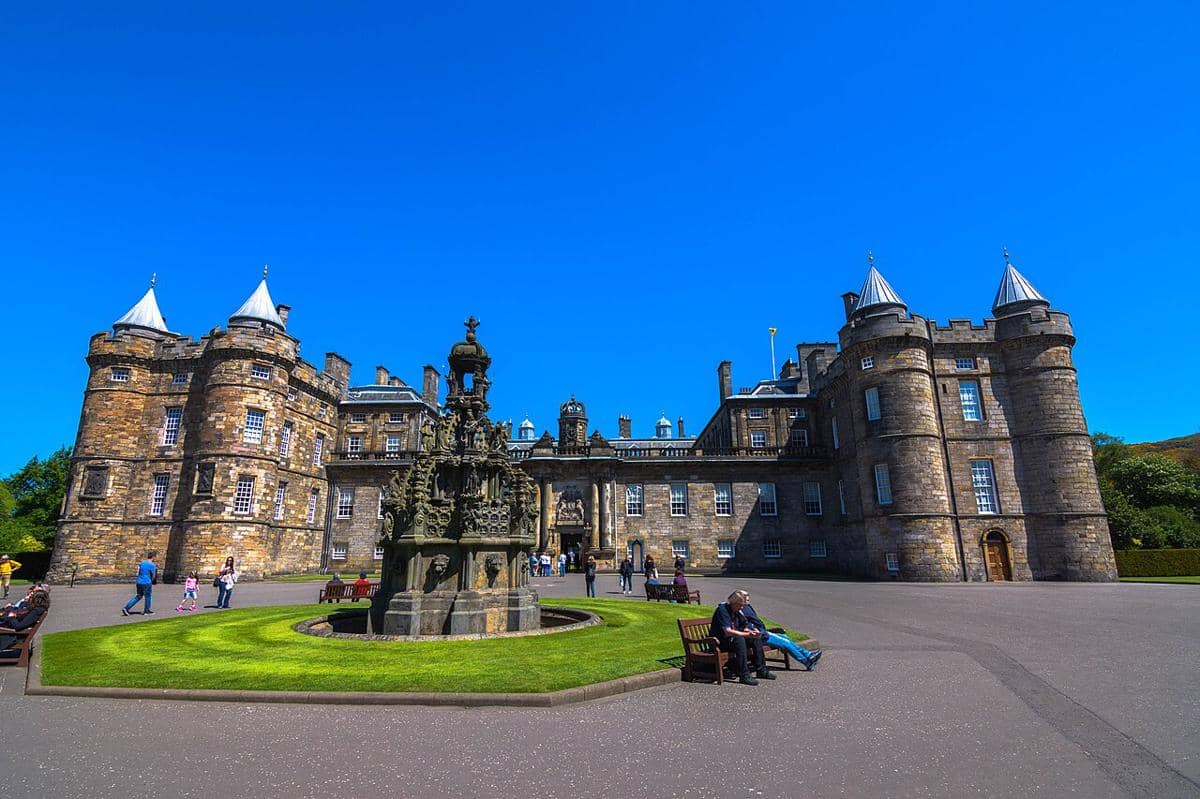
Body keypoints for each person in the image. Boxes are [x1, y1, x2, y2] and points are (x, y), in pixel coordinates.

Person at [737, 589, 822, 670]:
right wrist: (761, 630)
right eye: (746, 600)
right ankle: (806, 660)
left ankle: (808, 656)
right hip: (758, 635)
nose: (748, 602)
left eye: (748, 600)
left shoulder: (745, 607)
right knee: (785, 642)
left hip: (761, 633)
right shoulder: (743, 609)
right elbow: (754, 622)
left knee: (785, 638)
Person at [709, 590, 773, 685]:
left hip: (732, 640)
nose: (742, 608)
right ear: (733, 603)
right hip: (720, 642)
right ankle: (744, 675)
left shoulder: (737, 611)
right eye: (740, 605)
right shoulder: (722, 610)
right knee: (739, 640)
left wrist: (752, 632)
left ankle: (761, 670)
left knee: (756, 639)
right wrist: (747, 634)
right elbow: (728, 631)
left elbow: (743, 627)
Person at [121, 551, 158, 616]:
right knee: (148, 596)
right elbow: (154, 576)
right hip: (146, 582)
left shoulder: (142, 563)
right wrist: (151, 581)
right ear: (153, 557)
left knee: (138, 596)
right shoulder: (152, 565)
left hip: (139, 581)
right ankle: (146, 611)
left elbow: (138, 572)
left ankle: (126, 608)